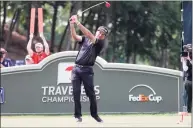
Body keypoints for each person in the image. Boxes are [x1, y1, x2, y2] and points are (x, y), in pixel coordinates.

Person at [69, 15, 108, 123]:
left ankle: (94, 115)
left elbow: (89, 34)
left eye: (102, 34)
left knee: (91, 94)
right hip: (76, 69)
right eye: (99, 32)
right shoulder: (85, 39)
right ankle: (78, 116)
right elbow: (75, 37)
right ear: (97, 31)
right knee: (76, 93)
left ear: (103, 37)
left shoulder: (99, 43)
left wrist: (77, 22)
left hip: (87, 71)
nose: (100, 34)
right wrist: (72, 24)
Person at [181, 44, 192, 113]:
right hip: (189, 80)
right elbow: (185, 69)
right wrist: (184, 61)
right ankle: (188, 111)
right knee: (188, 97)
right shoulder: (185, 58)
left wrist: (190, 59)